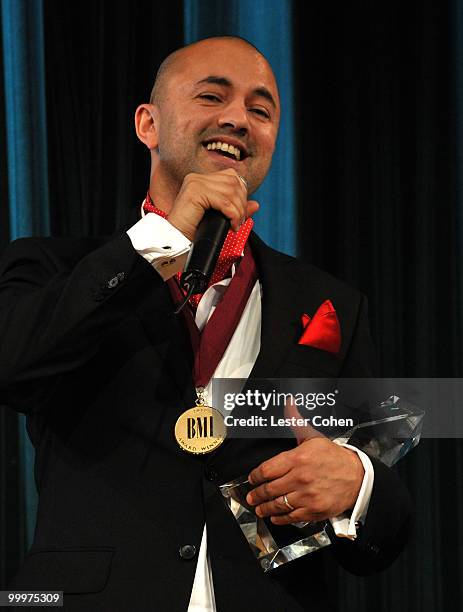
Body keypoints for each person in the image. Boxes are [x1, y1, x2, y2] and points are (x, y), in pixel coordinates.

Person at [0, 36, 411, 611]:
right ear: (148, 124)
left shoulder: (330, 302)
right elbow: (15, 367)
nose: (238, 119)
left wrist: (358, 484)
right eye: (211, 96)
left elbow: (386, 520)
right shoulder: (52, 268)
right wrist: (161, 242)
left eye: (260, 109)